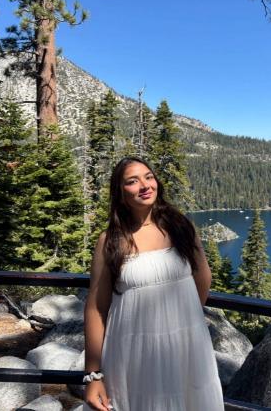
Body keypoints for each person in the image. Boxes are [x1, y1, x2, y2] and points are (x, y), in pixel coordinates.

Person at [83, 156, 225, 410]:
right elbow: (96, 308)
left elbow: (203, 278)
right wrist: (93, 375)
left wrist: (184, 323)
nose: (145, 185)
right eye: (132, 181)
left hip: (186, 347)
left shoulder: (181, 228)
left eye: (149, 177)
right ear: (120, 193)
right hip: (132, 353)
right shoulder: (111, 240)